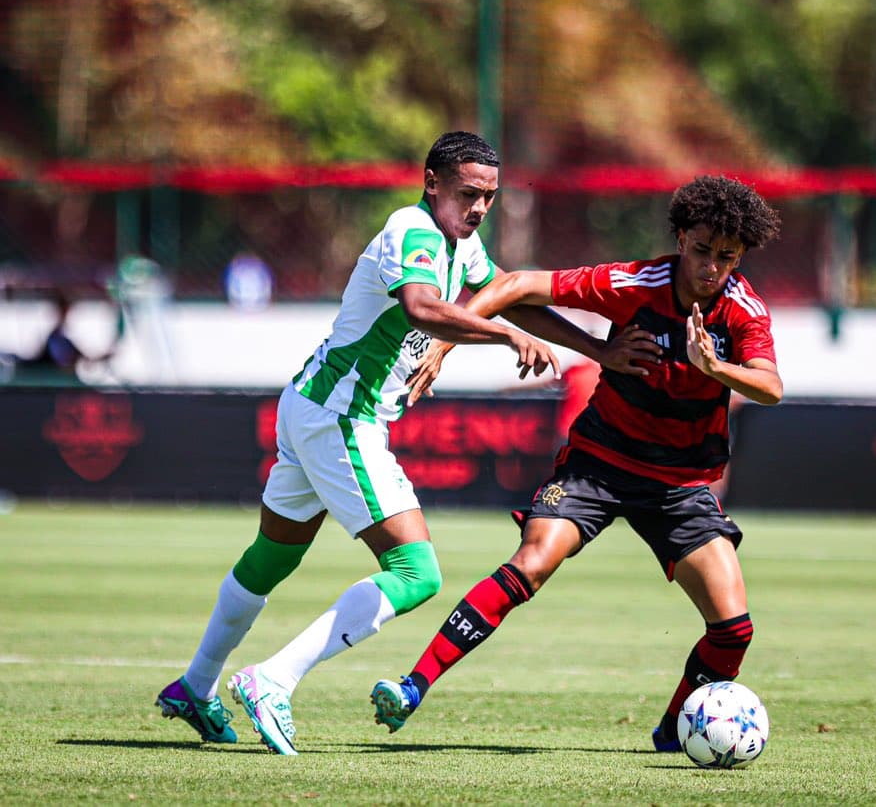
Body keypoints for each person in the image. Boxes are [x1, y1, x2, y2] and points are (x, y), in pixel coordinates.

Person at [154, 131, 653, 754]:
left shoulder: (461, 246)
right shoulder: (412, 231)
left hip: (312, 405)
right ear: (432, 183)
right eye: (468, 194)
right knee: (416, 573)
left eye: (489, 198)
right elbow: (421, 308)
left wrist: (600, 349)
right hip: (341, 414)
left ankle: (195, 685)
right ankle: (271, 679)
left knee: (272, 557)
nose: (478, 209)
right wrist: (500, 339)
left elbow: (514, 297)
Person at [370, 175, 783, 756]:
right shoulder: (635, 282)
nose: (712, 267)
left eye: (727, 258)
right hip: (598, 465)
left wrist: (716, 369)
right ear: (681, 237)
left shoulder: (742, 313)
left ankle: (673, 732)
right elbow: (515, 285)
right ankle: (413, 686)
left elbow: (770, 387)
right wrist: (444, 342)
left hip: (679, 486)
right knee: (532, 563)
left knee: (734, 629)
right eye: (702, 250)